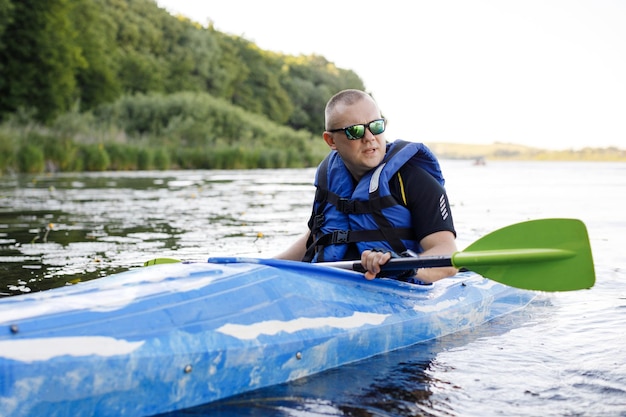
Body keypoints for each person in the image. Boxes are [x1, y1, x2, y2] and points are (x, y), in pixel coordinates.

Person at [276, 89, 458, 284]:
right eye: (355, 131)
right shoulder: (329, 179)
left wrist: (405, 266)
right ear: (331, 141)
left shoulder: (414, 180)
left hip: (397, 290)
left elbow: (448, 257)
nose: (370, 137)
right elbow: (316, 238)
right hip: (330, 283)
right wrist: (265, 265)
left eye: (376, 126)